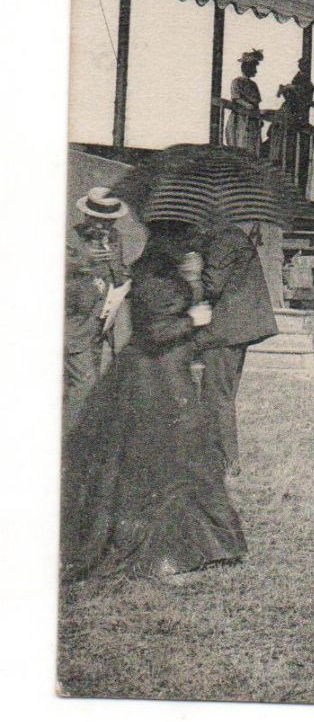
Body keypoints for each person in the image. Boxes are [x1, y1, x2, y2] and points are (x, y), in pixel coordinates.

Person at [61, 221, 246, 583]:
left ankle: (205, 544)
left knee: (189, 456)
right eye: (186, 239)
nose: (194, 245)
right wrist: (192, 319)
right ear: (168, 239)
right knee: (165, 461)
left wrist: (194, 299)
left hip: (170, 375)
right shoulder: (151, 276)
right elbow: (154, 333)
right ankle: (168, 550)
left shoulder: (166, 271)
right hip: (151, 379)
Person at [195, 220, 279, 476]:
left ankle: (227, 461)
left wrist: (188, 272)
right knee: (222, 394)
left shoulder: (223, 239)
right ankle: (219, 457)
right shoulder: (231, 236)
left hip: (225, 331)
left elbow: (211, 285)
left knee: (217, 395)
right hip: (234, 330)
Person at [64, 188, 131, 416]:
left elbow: (119, 275)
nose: (104, 228)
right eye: (100, 222)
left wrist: (122, 273)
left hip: (99, 326)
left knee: (82, 386)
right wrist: (85, 262)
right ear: (87, 216)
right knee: (84, 386)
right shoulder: (69, 241)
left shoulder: (114, 239)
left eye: (110, 223)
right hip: (74, 327)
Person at [224, 49, 265, 153]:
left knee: (252, 147)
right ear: (246, 67)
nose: (254, 70)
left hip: (252, 119)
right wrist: (246, 105)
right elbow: (236, 98)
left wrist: (259, 116)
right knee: (240, 143)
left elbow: (256, 102)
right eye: (252, 67)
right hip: (239, 119)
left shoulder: (253, 84)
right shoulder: (237, 81)